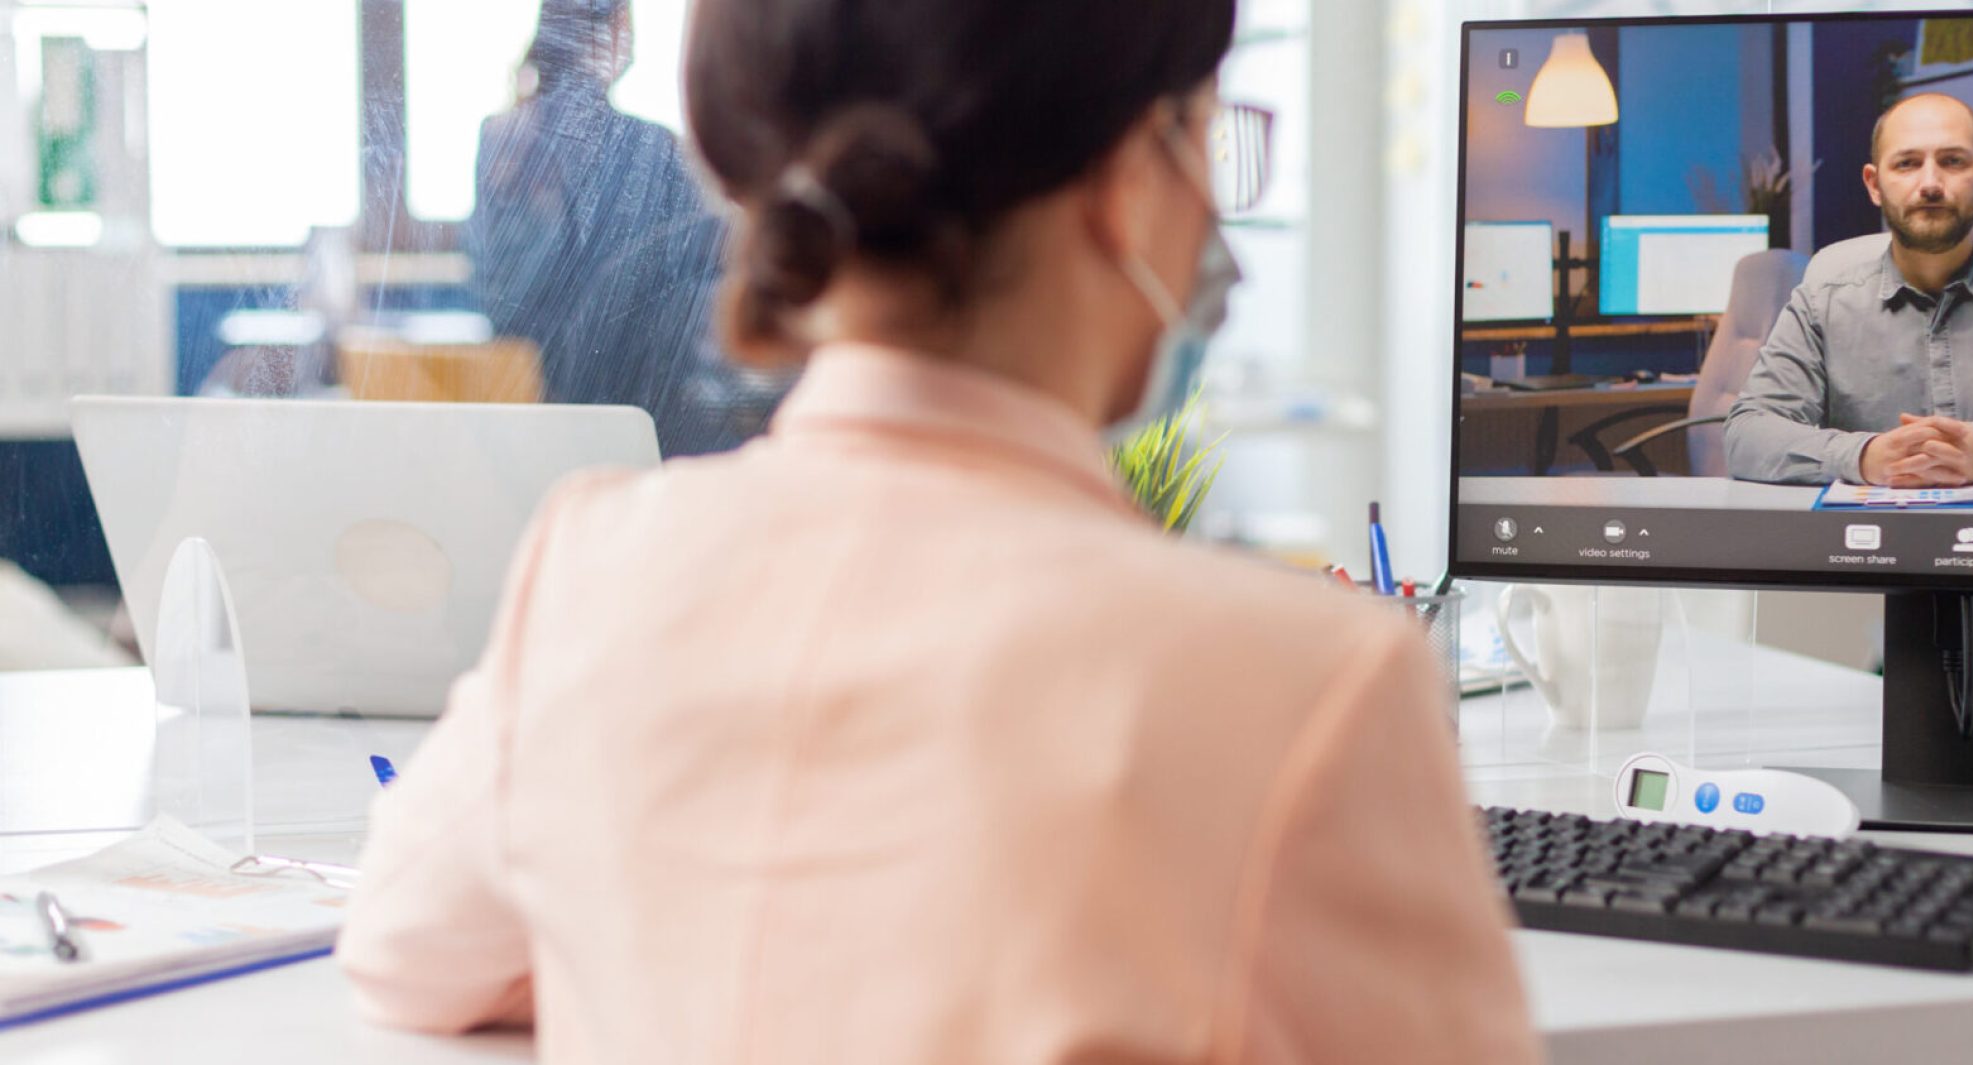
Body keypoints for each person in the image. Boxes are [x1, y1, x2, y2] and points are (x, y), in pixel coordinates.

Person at [337, 1, 1538, 1062]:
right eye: (1217, 140)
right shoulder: (1308, 689)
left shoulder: (594, 568)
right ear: (1126, 180)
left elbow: (403, 953)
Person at [1725, 93, 1973, 487]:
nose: (1931, 183)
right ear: (1874, 184)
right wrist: (1863, 458)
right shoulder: (1821, 302)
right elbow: (1748, 434)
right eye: (1907, 163)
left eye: (1953, 161)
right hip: (1865, 546)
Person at [466, 0, 733, 455]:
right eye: (625, 25)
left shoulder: (501, 139)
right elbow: (702, 275)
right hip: (636, 410)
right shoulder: (648, 148)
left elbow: (497, 296)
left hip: (530, 414)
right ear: (608, 35)